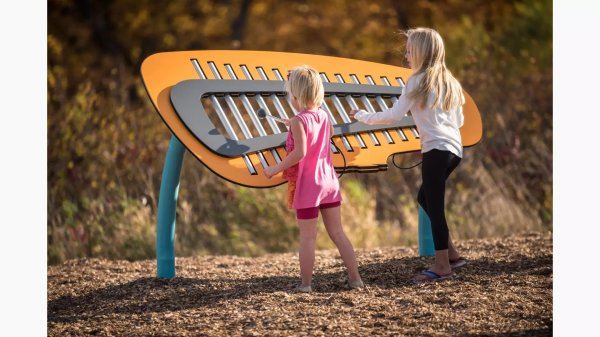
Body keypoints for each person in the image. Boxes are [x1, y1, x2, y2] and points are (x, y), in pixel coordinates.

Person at [350, 27, 467, 283]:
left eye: (410, 50)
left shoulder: (416, 81)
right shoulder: (450, 82)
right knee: (424, 197)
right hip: (454, 150)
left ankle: (442, 266)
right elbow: (458, 120)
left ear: (422, 52)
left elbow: (393, 115)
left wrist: (361, 116)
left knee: (435, 208)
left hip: (436, 150)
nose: (406, 55)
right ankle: (454, 255)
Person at [264, 65, 364, 292]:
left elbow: (299, 153)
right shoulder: (323, 115)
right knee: (338, 233)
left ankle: (306, 285)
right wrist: (295, 125)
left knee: (308, 237)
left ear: (296, 95)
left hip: (309, 184)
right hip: (329, 181)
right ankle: (356, 279)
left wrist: (274, 169)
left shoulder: (300, 120)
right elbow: (325, 135)